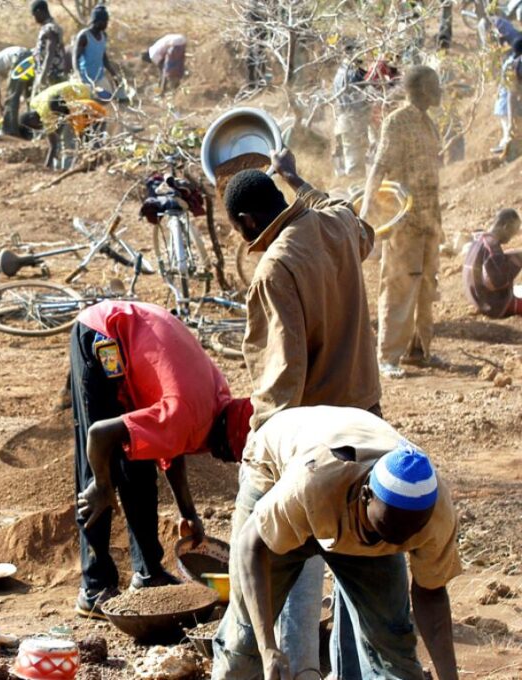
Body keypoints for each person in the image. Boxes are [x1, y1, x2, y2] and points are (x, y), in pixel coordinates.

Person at [222, 149, 381, 676]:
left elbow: (280, 384)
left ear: (248, 222)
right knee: (362, 577)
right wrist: (295, 177)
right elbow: (350, 216)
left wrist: (258, 456)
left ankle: (290, 668)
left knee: (271, 563)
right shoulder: (336, 226)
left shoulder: (276, 269)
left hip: (313, 444)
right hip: (370, 429)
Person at [212, 406, 460, 680]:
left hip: (348, 499)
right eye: (386, 530)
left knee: (391, 641)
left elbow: (431, 593)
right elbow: (251, 544)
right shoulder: (310, 484)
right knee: (245, 639)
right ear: (366, 495)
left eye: (409, 536)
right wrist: (267, 647)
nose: (398, 540)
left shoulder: (434, 513)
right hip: (278, 472)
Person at [70, 300, 252, 618]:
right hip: (103, 333)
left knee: (140, 456)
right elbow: (98, 434)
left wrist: (188, 513)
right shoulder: (187, 412)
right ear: (225, 448)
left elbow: (171, 444)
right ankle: (94, 586)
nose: (225, 461)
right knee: (101, 467)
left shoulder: (217, 397)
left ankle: (148, 573)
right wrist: (102, 484)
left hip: (137, 342)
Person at [361, 65, 444, 379]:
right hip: (404, 222)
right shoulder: (397, 122)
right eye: (435, 85)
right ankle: (388, 357)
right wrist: (366, 210)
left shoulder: (428, 124)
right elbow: (379, 166)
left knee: (426, 286)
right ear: (421, 89)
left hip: (429, 220)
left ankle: (418, 350)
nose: (440, 91)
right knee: (399, 286)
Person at [21, 81, 107, 170]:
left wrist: (47, 166)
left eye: (34, 126)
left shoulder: (47, 114)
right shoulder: (34, 103)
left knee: (69, 138)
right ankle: (79, 163)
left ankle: (69, 166)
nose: (37, 127)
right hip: (77, 88)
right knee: (82, 136)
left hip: (81, 95)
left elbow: (53, 144)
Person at [463, 208, 522, 318]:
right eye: (512, 233)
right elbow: (497, 282)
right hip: (492, 305)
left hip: (476, 298)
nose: (511, 238)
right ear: (506, 227)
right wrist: (517, 262)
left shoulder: (479, 239)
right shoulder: (492, 246)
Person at [332, 45, 370, 178]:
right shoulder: (353, 74)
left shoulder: (340, 72)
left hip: (343, 118)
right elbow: (361, 99)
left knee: (348, 155)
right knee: (354, 163)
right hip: (353, 119)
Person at [73, 5, 119, 93]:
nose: (106, 24)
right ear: (97, 22)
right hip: (85, 79)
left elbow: (104, 58)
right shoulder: (84, 36)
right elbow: (75, 59)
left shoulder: (103, 36)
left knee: (108, 97)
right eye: (105, 22)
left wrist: (114, 75)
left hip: (99, 78)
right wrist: (78, 76)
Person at [31, 0, 68, 91]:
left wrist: (43, 76)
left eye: (34, 15)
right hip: (49, 74)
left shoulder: (50, 29)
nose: (34, 19)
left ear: (39, 12)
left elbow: (50, 53)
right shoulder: (50, 27)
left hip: (51, 76)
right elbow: (62, 49)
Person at [493, 38, 522, 155]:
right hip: (506, 104)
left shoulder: (511, 61)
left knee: (509, 130)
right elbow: (512, 94)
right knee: (509, 131)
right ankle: (505, 151)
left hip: (504, 102)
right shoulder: (515, 65)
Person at [0, 46, 31, 110]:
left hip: (17, 57)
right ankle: (31, 110)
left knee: (12, 95)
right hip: (27, 53)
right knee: (28, 89)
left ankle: (10, 115)